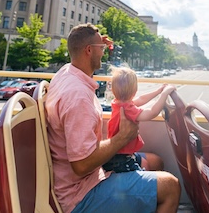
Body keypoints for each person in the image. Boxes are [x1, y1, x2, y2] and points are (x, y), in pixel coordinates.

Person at [45, 23, 181, 213]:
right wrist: (122, 138)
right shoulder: (77, 96)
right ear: (89, 50)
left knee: (155, 161)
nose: (104, 53)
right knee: (171, 186)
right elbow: (81, 165)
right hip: (81, 195)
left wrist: (101, 42)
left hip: (85, 176)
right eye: (101, 49)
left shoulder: (68, 72)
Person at [103, 65, 176, 173]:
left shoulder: (118, 103)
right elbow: (152, 112)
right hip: (122, 160)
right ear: (135, 90)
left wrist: (158, 91)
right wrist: (165, 94)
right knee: (142, 174)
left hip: (115, 155)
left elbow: (141, 99)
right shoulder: (128, 109)